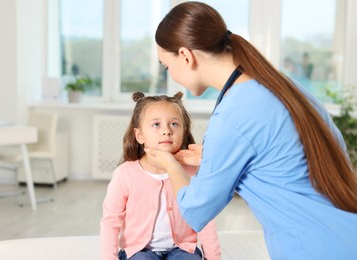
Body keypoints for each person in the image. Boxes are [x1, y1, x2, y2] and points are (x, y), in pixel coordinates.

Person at [144, 1, 357, 259]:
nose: (172, 75)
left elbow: (195, 210)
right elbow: (287, 160)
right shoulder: (286, 88)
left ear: (186, 56)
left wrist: (170, 165)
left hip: (310, 248)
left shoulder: (232, 115)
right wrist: (214, 158)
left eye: (167, 66)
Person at [100, 91, 221, 260]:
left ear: (184, 132)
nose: (166, 131)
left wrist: (213, 257)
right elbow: (111, 221)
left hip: (182, 249)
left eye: (174, 124)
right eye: (156, 124)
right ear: (139, 135)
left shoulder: (192, 172)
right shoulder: (125, 174)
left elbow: (204, 219)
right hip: (138, 251)